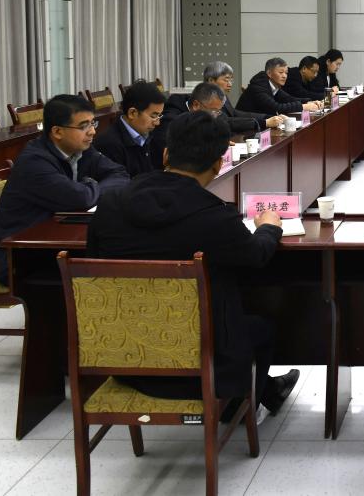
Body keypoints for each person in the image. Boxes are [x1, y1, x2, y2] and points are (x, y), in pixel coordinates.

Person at [87, 111, 299, 420]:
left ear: (165, 155)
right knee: (260, 327)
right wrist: (269, 226)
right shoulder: (215, 217)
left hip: (125, 358)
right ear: (218, 165)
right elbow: (256, 255)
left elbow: (95, 265)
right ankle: (235, 407)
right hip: (205, 367)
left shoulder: (109, 206)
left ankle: (267, 390)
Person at [0, 95, 129, 283]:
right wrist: (90, 186)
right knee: (109, 269)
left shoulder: (82, 149)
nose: (93, 131)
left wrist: (89, 187)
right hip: (17, 257)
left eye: (92, 123)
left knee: (122, 254)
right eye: (83, 126)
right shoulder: (34, 162)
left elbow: (120, 174)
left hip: (55, 243)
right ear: (57, 131)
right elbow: (80, 199)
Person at [92, 80, 166, 177]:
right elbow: (119, 183)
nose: (157, 122)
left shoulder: (151, 133)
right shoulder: (109, 145)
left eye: (159, 116)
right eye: (153, 116)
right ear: (132, 113)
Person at [150, 82, 227, 170]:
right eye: (213, 111)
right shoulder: (172, 121)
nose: (215, 116)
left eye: (218, 112)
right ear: (196, 105)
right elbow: (175, 154)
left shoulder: (198, 116)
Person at [203, 61, 286, 135]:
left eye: (231, 80)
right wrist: (264, 123)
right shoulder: (205, 98)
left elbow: (234, 113)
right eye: (226, 80)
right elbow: (226, 121)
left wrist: (267, 117)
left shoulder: (221, 95)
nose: (230, 84)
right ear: (211, 81)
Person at [237, 57, 305, 117]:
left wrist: (309, 101)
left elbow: (289, 99)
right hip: (244, 124)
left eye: (286, 73)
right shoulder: (259, 87)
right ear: (269, 73)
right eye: (281, 72)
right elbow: (277, 108)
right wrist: (303, 106)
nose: (284, 76)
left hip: (258, 122)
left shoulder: (274, 86)